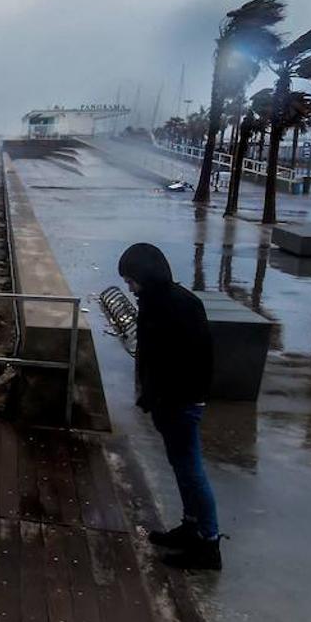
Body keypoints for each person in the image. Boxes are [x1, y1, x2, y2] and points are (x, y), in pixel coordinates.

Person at [118, 243, 222, 570]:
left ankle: (208, 543)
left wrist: (162, 397)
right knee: (182, 466)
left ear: (146, 276)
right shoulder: (160, 301)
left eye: (131, 280)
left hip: (180, 402)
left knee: (190, 468)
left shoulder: (176, 306)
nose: (129, 288)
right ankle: (191, 527)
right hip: (170, 402)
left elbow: (186, 361)